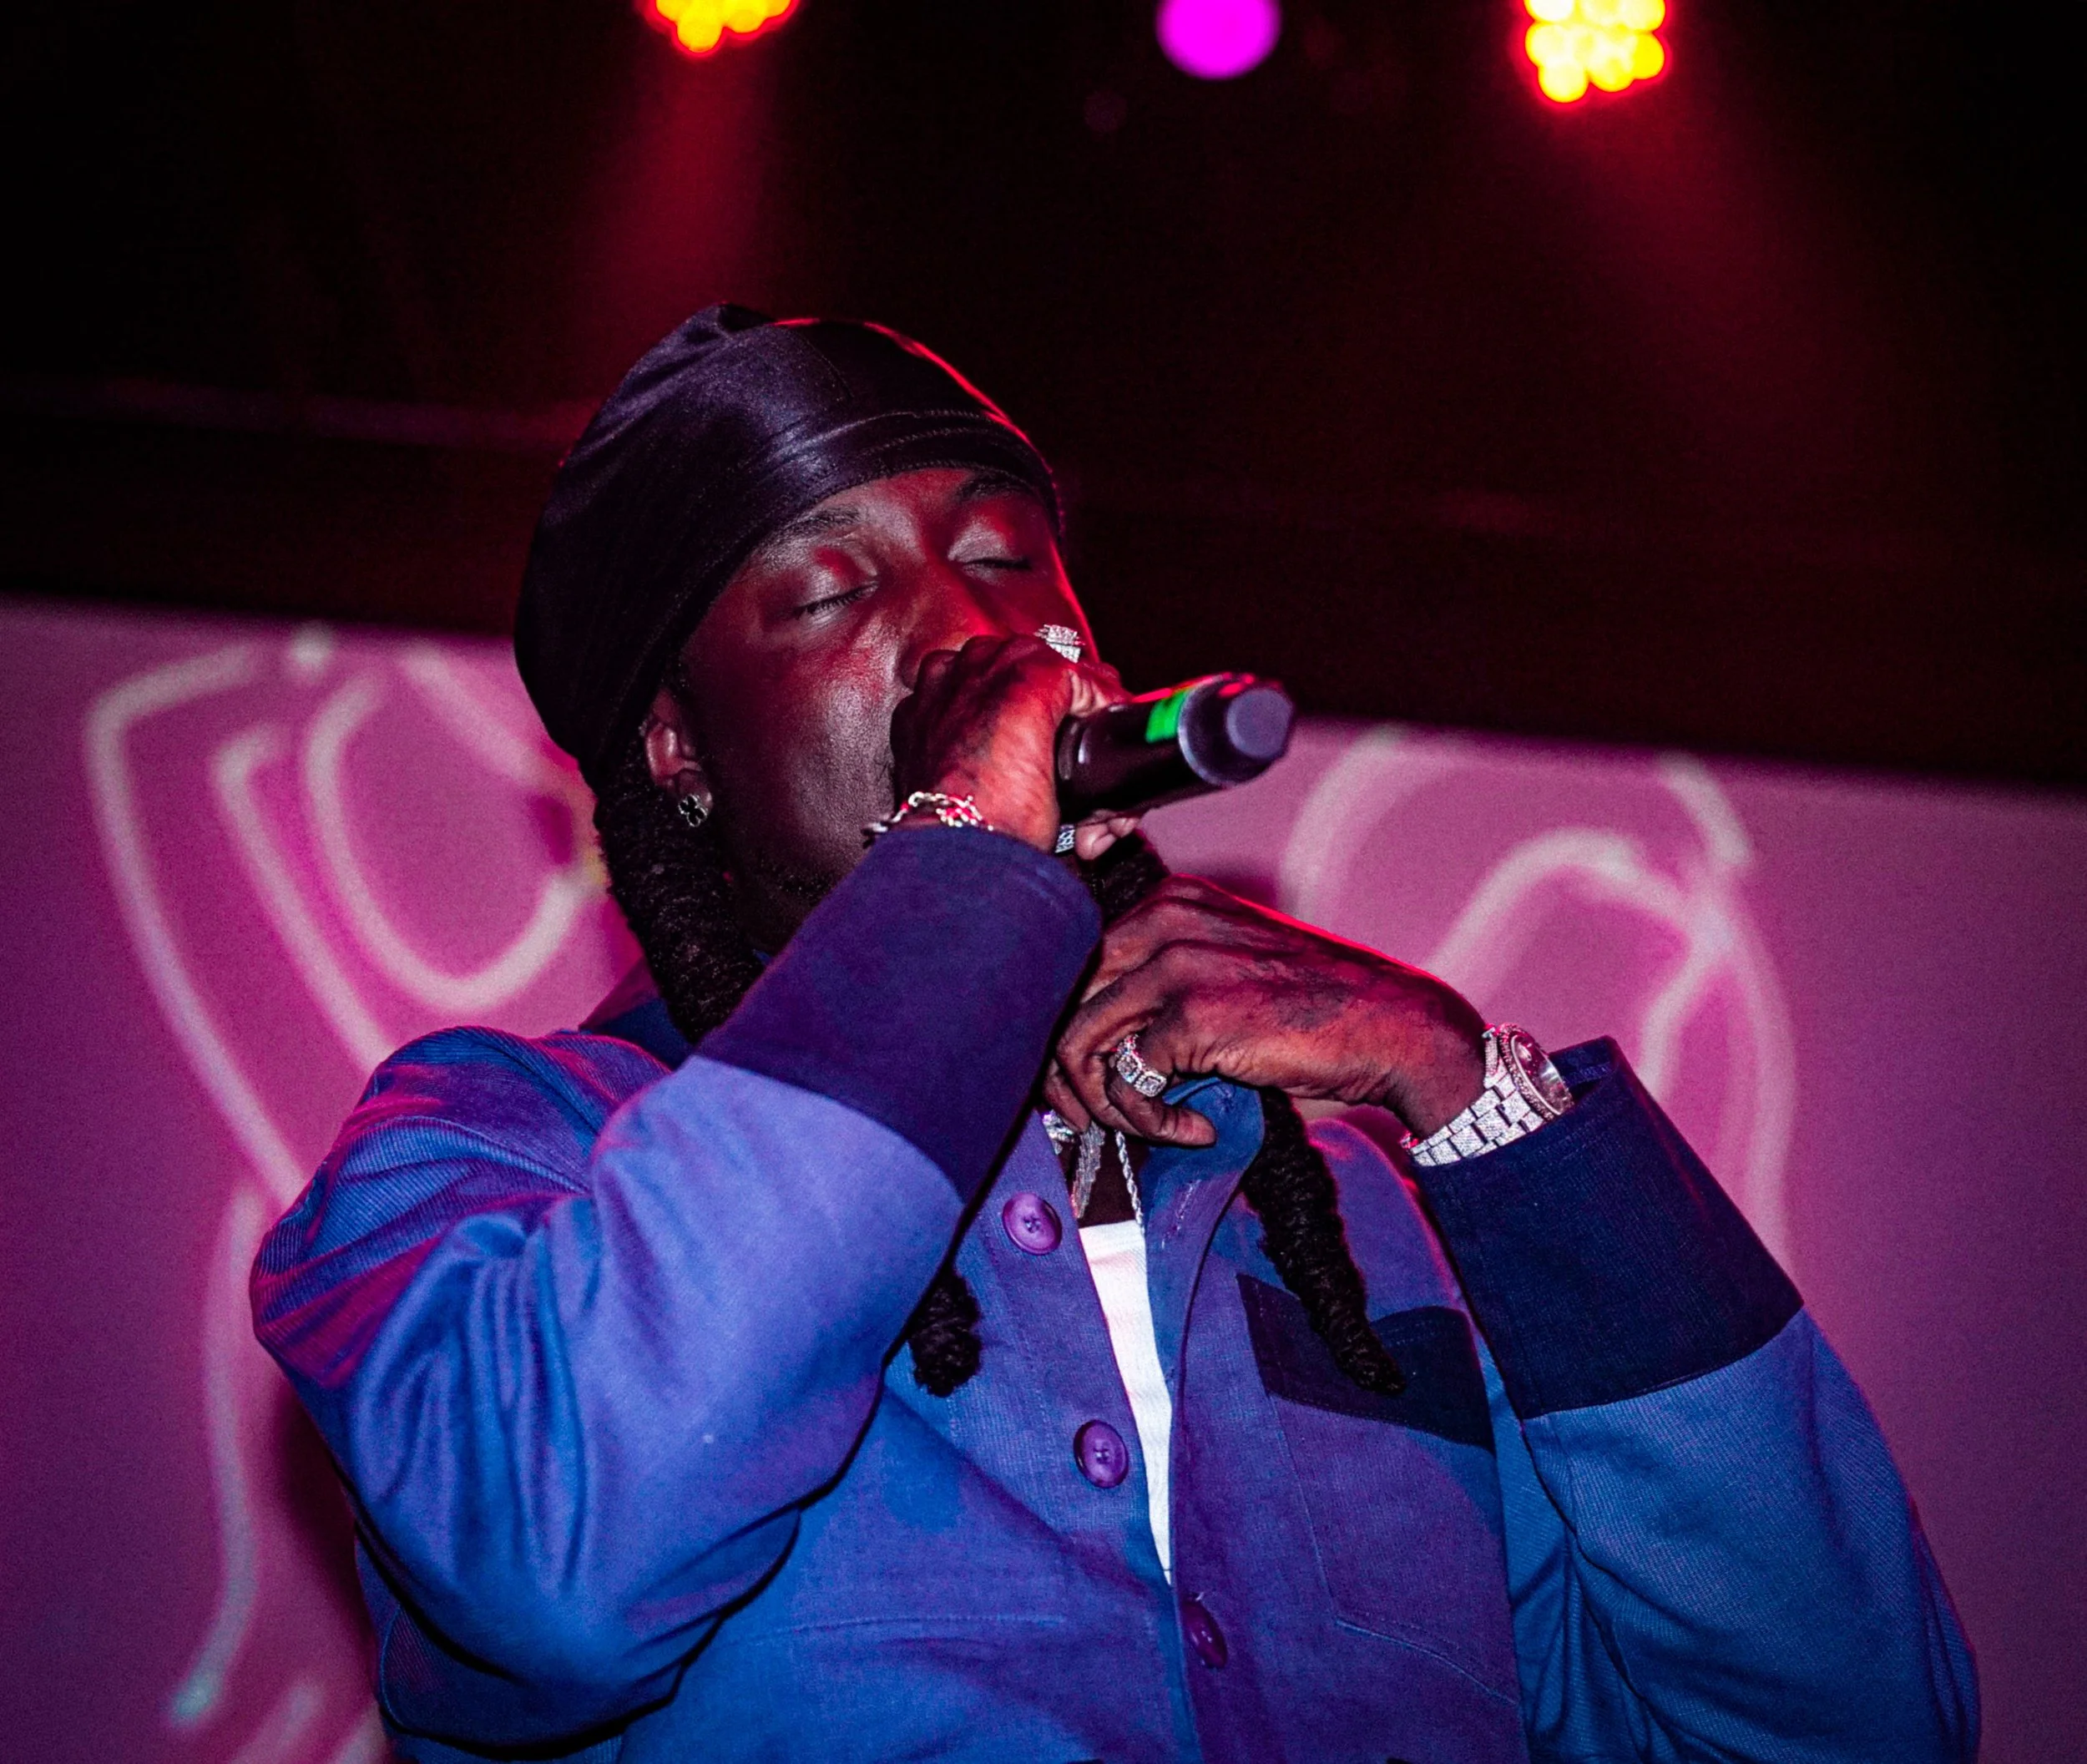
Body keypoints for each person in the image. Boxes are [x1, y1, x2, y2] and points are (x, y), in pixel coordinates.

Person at [252, 306, 1978, 1763]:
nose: (968, 631)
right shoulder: (497, 1151)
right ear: (677, 751)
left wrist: (1467, 1094)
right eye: (831, 595)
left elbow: (1847, 1722)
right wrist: (959, 866)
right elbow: (550, 1571)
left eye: (1005, 561)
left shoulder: (1359, 1225)